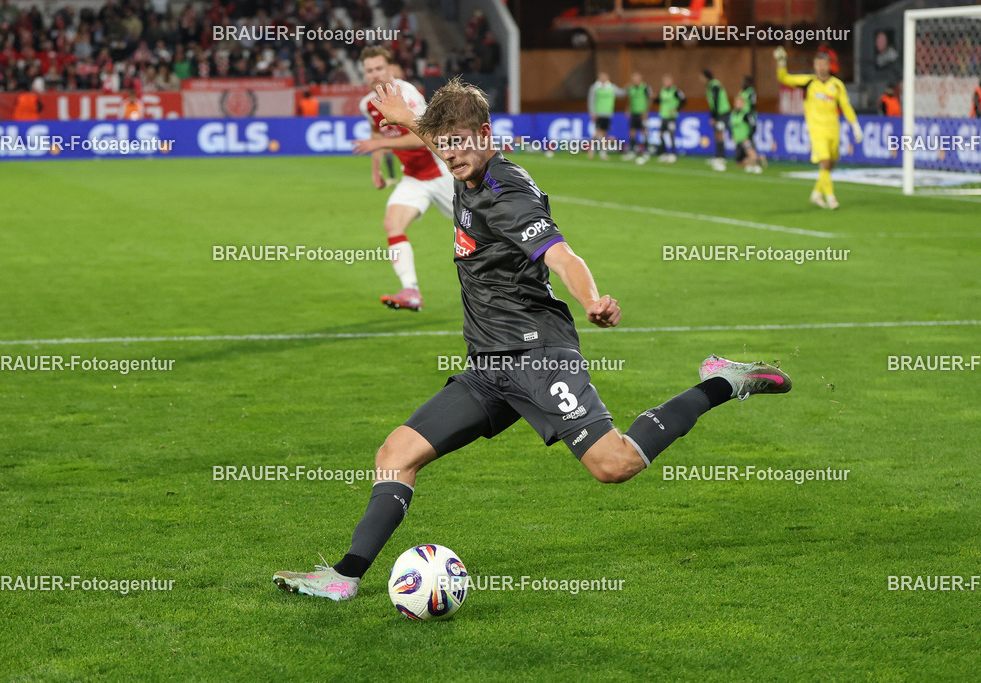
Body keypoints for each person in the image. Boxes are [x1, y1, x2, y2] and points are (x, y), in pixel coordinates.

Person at [273, 76, 793, 602]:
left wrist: (592, 299)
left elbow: (561, 255)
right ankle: (344, 577)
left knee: (615, 465)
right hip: (488, 366)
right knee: (396, 453)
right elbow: (443, 141)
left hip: (537, 355)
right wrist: (408, 123)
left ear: (485, 133)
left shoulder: (506, 194)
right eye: (442, 142)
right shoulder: (464, 165)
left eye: (457, 141)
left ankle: (725, 382)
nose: (448, 155)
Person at [350, 46, 454, 312]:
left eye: (379, 68)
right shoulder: (367, 105)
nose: (374, 74)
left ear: (390, 68)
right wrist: (377, 171)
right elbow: (376, 136)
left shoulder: (406, 94)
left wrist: (378, 144)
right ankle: (411, 291)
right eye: (369, 70)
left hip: (443, 171)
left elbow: (423, 136)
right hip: (415, 177)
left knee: (481, 229)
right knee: (392, 224)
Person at [776, 48, 862, 210]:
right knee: (824, 161)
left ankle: (816, 193)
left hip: (833, 130)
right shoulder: (808, 82)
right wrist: (781, 63)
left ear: (829, 66)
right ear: (814, 66)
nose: (821, 68)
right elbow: (784, 78)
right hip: (817, 130)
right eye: (818, 64)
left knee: (830, 165)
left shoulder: (837, 85)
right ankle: (831, 198)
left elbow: (845, 106)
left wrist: (855, 125)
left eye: (824, 64)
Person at [587, 71, 623, 160]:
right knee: (597, 132)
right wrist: (592, 113)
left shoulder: (611, 87)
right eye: (601, 77)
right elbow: (591, 101)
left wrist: (628, 87)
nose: (603, 79)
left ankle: (602, 152)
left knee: (603, 134)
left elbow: (621, 94)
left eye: (605, 77)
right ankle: (591, 149)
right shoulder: (595, 87)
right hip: (598, 113)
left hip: (607, 114)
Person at [701, 69, 730, 171]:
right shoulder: (710, 86)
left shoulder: (714, 85)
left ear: (706, 77)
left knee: (720, 133)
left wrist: (715, 117)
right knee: (717, 133)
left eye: (702, 77)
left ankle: (722, 157)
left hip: (722, 113)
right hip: (719, 113)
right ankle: (718, 156)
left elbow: (716, 100)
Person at [654, 74, 685, 162]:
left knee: (671, 135)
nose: (666, 83)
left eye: (668, 81)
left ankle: (673, 153)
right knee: (661, 134)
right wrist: (655, 98)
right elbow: (658, 101)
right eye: (665, 81)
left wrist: (676, 109)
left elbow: (683, 101)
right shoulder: (662, 91)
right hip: (663, 116)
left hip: (672, 117)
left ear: (671, 82)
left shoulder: (676, 91)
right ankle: (664, 153)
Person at [730, 93, 764, 173]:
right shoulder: (733, 114)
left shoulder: (747, 114)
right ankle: (760, 159)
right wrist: (732, 134)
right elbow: (732, 126)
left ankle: (755, 166)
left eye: (740, 103)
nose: (738, 105)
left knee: (751, 153)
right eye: (737, 103)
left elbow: (753, 126)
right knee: (739, 163)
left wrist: (748, 137)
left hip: (745, 139)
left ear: (743, 104)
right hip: (738, 140)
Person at [624, 72, 652, 163]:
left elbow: (649, 99)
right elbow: (629, 100)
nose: (635, 80)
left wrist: (646, 111)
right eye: (634, 79)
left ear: (641, 79)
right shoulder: (631, 88)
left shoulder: (645, 88)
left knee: (644, 131)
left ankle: (647, 151)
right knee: (632, 131)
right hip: (634, 113)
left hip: (642, 113)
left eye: (637, 78)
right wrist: (628, 109)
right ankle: (632, 150)